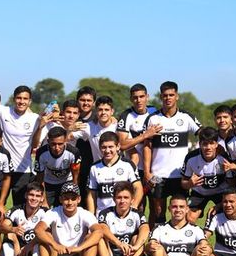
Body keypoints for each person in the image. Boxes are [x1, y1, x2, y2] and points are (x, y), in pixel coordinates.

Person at [143, 81, 202, 227]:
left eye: (171, 95)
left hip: (180, 175)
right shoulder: (153, 119)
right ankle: (158, 245)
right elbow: (147, 146)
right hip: (158, 174)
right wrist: (147, 172)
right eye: (165, 95)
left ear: (177, 96)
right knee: (157, 211)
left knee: (180, 212)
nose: (168, 98)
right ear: (161, 97)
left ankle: (178, 245)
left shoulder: (186, 117)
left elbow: (204, 136)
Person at [34, 182, 103, 256]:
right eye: (66, 198)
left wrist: (80, 248)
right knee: (45, 237)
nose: (69, 202)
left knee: (91, 239)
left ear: (79, 199)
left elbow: (99, 232)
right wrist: (55, 245)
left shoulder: (85, 214)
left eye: (73, 198)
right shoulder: (53, 212)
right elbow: (38, 230)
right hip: (57, 255)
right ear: (61, 199)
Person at [145, 195, 212, 256]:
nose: (178, 210)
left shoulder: (196, 229)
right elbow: (148, 248)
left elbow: (205, 244)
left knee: (202, 247)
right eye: (174, 207)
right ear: (169, 209)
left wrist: (208, 248)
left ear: (187, 209)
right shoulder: (160, 229)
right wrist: (149, 247)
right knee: (156, 247)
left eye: (181, 207)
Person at [116, 83, 161, 213]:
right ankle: (137, 232)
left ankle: (152, 233)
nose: (139, 100)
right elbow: (122, 144)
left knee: (156, 206)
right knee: (138, 205)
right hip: (135, 169)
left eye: (142, 96)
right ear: (131, 99)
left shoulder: (155, 112)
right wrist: (145, 135)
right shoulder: (126, 116)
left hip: (155, 167)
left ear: (147, 97)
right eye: (135, 97)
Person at [96, 181, 150, 256]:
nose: (122, 201)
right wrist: (119, 243)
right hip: (109, 255)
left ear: (132, 200)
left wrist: (136, 246)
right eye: (119, 197)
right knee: (100, 238)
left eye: (126, 197)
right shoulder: (105, 213)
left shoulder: (137, 214)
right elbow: (103, 228)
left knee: (137, 239)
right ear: (114, 199)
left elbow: (145, 228)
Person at [181, 127, 235, 223]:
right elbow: (183, 183)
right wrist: (190, 183)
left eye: (211, 143)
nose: (208, 147)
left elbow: (232, 184)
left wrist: (228, 171)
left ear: (216, 144)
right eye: (205, 144)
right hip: (199, 192)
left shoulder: (224, 158)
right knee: (189, 218)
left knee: (229, 214)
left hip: (220, 192)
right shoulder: (191, 158)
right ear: (200, 144)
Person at [87, 131, 142, 215]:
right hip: (102, 216)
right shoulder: (94, 167)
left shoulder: (127, 165)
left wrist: (133, 207)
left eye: (110, 147)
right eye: (104, 147)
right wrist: (91, 216)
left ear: (118, 146)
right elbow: (91, 195)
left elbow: (138, 188)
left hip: (123, 215)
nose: (107, 150)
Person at [0, 182, 47, 256]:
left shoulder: (45, 212)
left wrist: (30, 245)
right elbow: (2, 226)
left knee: (42, 239)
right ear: (26, 195)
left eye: (37, 196)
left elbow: (48, 234)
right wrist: (13, 229)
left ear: (42, 198)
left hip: (34, 249)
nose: (34, 198)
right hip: (18, 251)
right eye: (31, 195)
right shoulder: (17, 210)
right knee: (8, 235)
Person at [34, 126, 81, 207]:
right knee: (43, 208)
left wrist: (74, 193)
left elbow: (75, 175)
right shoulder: (41, 153)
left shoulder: (74, 152)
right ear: (48, 141)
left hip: (66, 182)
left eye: (60, 144)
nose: (57, 148)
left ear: (65, 141)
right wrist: (44, 200)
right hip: (48, 184)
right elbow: (40, 178)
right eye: (53, 144)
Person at [71, 95, 118, 164]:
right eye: (100, 109)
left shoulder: (119, 126)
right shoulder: (88, 126)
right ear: (96, 111)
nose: (103, 113)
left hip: (118, 169)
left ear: (112, 111)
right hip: (97, 169)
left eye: (106, 110)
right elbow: (68, 137)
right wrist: (70, 129)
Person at [74, 86, 97, 205]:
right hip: (72, 168)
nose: (86, 103)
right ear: (77, 101)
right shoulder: (71, 115)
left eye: (89, 101)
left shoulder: (98, 118)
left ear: (93, 103)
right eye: (83, 100)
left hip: (92, 166)